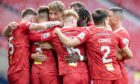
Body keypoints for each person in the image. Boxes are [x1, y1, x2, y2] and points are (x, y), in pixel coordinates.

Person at [54, 8, 133, 84]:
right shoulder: (115, 34)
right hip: (116, 74)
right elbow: (130, 55)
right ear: (105, 20)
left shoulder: (88, 32)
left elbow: (68, 43)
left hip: (101, 76)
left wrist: (58, 32)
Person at [30, 9, 90, 84]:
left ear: (63, 20)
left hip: (69, 74)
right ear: (73, 21)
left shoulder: (54, 34)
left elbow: (33, 36)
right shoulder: (84, 31)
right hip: (84, 72)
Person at [4, 8, 37, 84]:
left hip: (12, 70)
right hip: (20, 70)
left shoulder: (13, 29)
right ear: (32, 20)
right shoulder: (22, 27)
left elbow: (5, 33)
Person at [30, 6, 59, 84]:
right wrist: (53, 47)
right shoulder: (55, 30)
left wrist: (32, 56)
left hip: (34, 69)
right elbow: (65, 50)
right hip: (49, 70)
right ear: (49, 18)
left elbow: (22, 51)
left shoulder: (30, 32)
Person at [109, 7, 131, 84]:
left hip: (119, 76)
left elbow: (121, 56)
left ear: (117, 18)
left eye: (109, 16)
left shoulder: (123, 34)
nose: (107, 19)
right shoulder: (111, 32)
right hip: (110, 73)